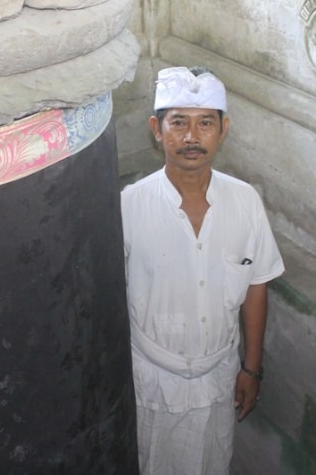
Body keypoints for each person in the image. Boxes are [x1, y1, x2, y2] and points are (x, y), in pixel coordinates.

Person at [121, 66, 285, 474]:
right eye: (178, 123)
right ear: (156, 130)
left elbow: (256, 287)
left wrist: (251, 368)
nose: (191, 137)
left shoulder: (245, 201)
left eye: (205, 124)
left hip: (219, 375)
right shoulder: (128, 205)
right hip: (150, 380)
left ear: (223, 129)